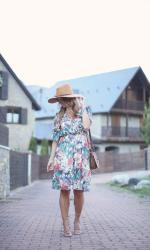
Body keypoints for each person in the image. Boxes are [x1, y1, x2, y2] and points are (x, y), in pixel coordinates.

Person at [47, 83, 92, 237]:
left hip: (81, 157)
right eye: (60, 100)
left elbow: (86, 127)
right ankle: (65, 223)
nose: (61, 102)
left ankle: (77, 220)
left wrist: (83, 107)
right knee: (64, 190)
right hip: (63, 156)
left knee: (79, 191)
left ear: (71, 99)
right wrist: (51, 158)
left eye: (63, 99)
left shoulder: (84, 112)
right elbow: (55, 139)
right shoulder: (59, 116)